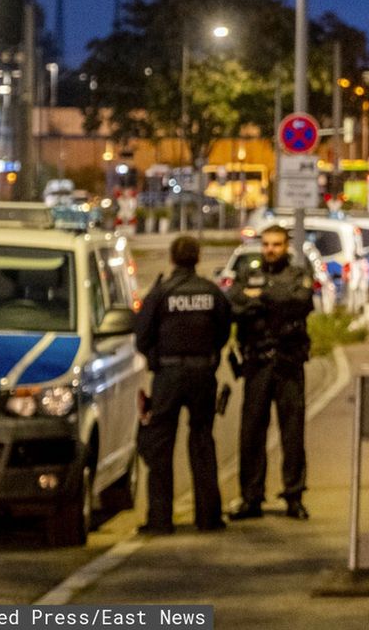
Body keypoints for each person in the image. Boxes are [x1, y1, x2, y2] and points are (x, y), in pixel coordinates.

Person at [134, 234, 233, 535]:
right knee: (202, 441)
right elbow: (224, 331)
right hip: (202, 373)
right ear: (198, 258)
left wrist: (158, 358)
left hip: (169, 374)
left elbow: (142, 337)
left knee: (161, 446)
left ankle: (160, 520)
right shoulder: (211, 292)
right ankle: (208, 517)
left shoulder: (161, 293)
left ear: (172, 258)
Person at [229, 224, 314, 520]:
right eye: (266, 244)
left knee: (292, 433)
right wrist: (272, 298)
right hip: (257, 363)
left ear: (286, 246)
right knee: (251, 432)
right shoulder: (247, 274)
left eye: (276, 244)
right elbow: (235, 305)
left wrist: (261, 296)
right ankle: (251, 498)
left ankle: (294, 496)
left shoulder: (298, 275)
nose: (270, 249)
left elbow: (300, 303)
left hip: (289, 363)